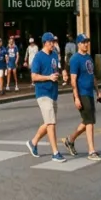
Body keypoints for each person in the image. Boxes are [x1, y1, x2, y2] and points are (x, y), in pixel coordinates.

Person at [62, 34, 101, 161]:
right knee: (90, 121)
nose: (86, 44)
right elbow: (73, 80)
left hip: (90, 93)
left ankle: (70, 140)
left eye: (87, 42)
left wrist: (98, 92)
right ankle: (91, 151)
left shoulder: (89, 58)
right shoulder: (75, 59)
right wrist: (77, 97)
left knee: (87, 120)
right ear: (78, 44)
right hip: (81, 93)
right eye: (84, 42)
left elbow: (92, 76)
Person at [26, 32, 66, 162]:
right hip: (43, 93)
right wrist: (48, 77)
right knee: (51, 123)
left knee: (49, 121)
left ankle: (33, 142)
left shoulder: (54, 55)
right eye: (51, 42)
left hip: (53, 92)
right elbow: (34, 76)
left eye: (54, 42)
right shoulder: (38, 57)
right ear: (45, 43)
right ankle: (55, 152)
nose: (53, 44)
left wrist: (62, 75)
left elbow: (57, 69)